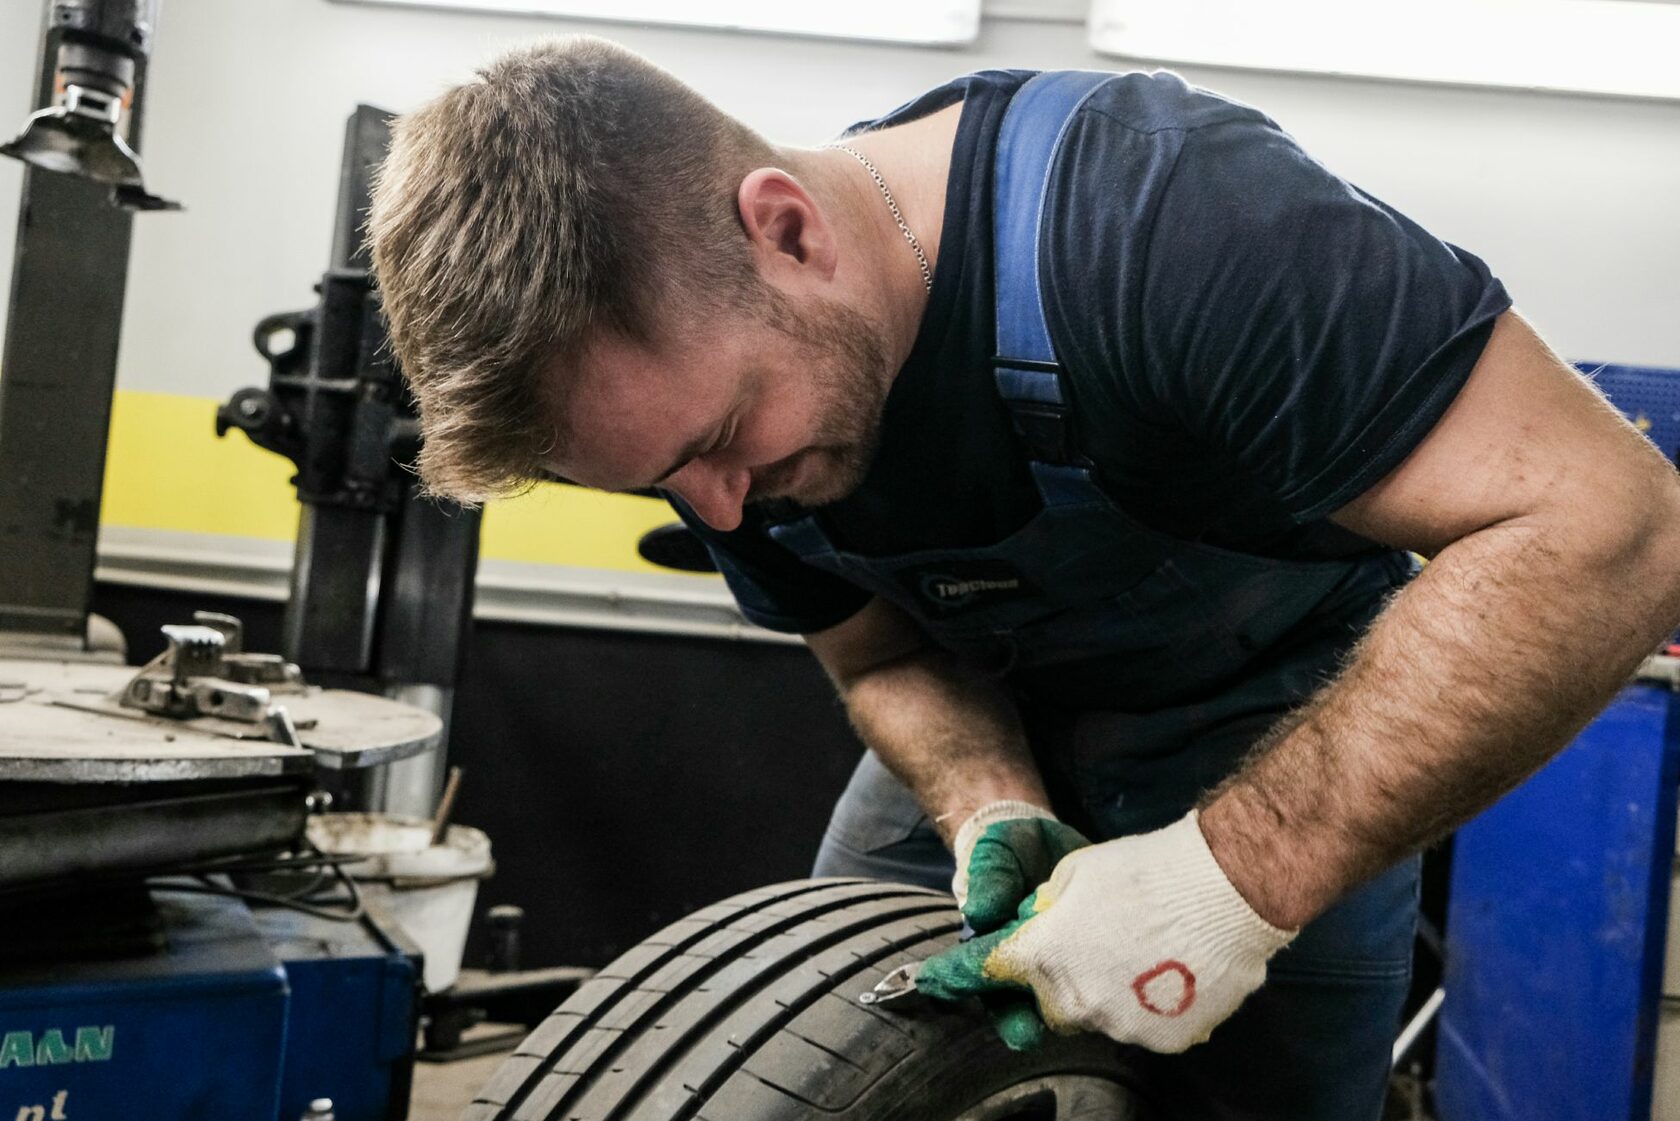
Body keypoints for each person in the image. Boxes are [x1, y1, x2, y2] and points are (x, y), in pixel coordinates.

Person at [368, 37, 1680, 1120]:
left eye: (720, 440)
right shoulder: (709, 426)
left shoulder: (1162, 221)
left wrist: (1229, 877)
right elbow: (879, 653)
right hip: (993, 709)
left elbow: (1617, 524)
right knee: (791, 1065)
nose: (717, 508)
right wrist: (985, 803)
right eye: (663, 480)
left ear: (786, 230)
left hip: (1285, 718)